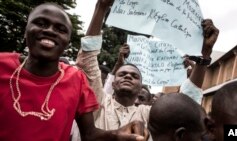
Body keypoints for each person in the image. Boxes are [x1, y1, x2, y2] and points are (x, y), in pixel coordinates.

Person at [0, 2, 148, 141]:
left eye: (60, 29)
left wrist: (116, 135)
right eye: (40, 23)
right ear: (26, 31)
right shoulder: (2, 65)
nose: (50, 31)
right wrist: (101, 7)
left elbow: (89, 134)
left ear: (67, 41)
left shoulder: (75, 80)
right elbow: (88, 57)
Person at [76, 0, 219, 131]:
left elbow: (186, 103)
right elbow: (87, 59)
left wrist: (205, 54)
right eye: (122, 74)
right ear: (112, 83)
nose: (127, 76)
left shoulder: (150, 114)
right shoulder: (98, 102)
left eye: (134, 76)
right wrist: (101, 7)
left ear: (140, 88)